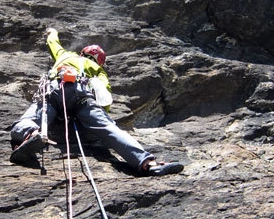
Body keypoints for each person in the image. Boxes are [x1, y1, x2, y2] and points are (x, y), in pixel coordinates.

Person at [9, 28, 183, 176]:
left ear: (83, 53)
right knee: (109, 128)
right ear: (99, 60)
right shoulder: (98, 70)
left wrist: (52, 32)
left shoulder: (65, 55)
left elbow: (53, 43)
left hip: (55, 91)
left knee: (28, 120)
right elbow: (105, 96)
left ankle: (30, 135)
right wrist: (97, 114)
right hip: (83, 97)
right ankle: (148, 164)